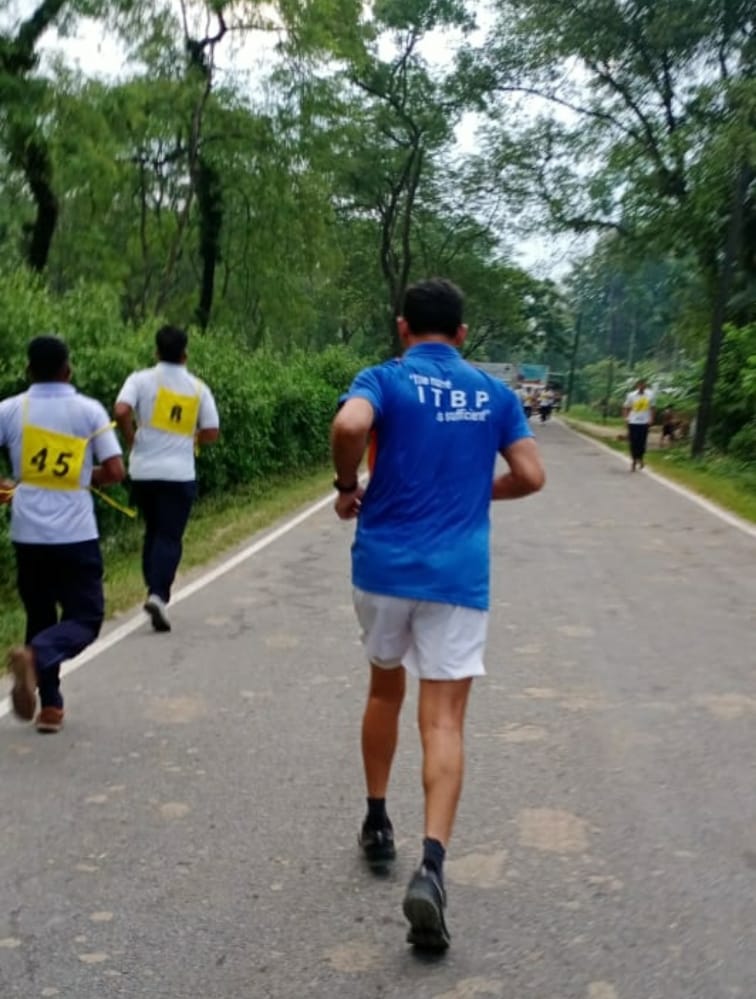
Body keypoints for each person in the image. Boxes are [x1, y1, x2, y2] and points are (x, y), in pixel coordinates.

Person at [331, 279, 545, 952]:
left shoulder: (384, 378)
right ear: (462, 333)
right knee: (444, 717)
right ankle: (430, 864)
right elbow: (533, 475)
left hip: (384, 566)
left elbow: (348, 425)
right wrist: (476, 486)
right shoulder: (495, 392)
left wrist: (347, 487)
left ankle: (375, 822)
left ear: (402, 328)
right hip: (457, 573)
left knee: (383, 686)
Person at [0, 335, 124, 733]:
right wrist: (86, 476)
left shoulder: (9, 410)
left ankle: (51, 706)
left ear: (28, 371)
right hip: (75, 533)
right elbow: (116, 470)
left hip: (27, 533)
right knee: (86, 617)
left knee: (40, 613)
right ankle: (36, 658)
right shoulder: (87, 410)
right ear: (68, 370)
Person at [114, 326, 220, 633]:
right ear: (185, 355)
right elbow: (212, 431)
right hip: (178, 473)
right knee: (170, 536)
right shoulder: (198, 388)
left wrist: (132, 436)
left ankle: (153, 589)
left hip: (143, 471)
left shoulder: (140, 379)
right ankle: (158, 594)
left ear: (156, 352)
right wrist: (192, 435)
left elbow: (121, 409)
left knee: (154, 530)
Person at [622, 378, 655, 471]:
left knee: (642, 442)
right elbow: (626, 407)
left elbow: (652, 408)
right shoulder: (631, 395)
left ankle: (640, 458)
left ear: (645, 385)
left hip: (644, 422)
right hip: (633, 421)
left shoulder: (650, 395)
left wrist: (651, 419)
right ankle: (633, 460)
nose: (642, 387)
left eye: (643, 385)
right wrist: (626, 418)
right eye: (640, 385)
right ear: (637, 386)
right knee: (633, 442)